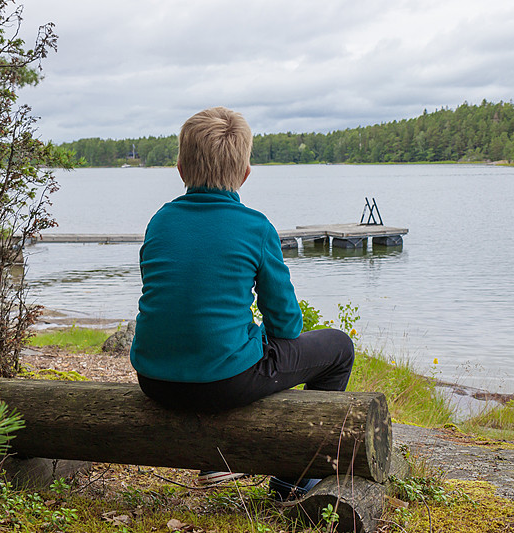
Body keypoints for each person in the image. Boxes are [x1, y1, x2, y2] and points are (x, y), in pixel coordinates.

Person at [129, 106, 355, 494]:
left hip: (154, 379)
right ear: (245, 173)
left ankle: (220, 461)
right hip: (224, 383)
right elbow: (287, 325)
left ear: (181, 169)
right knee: (338, 348)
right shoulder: (256, 227)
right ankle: (293, 476)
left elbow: (171, 299)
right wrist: (256, 336)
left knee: (231, 353)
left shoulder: (159, 221)